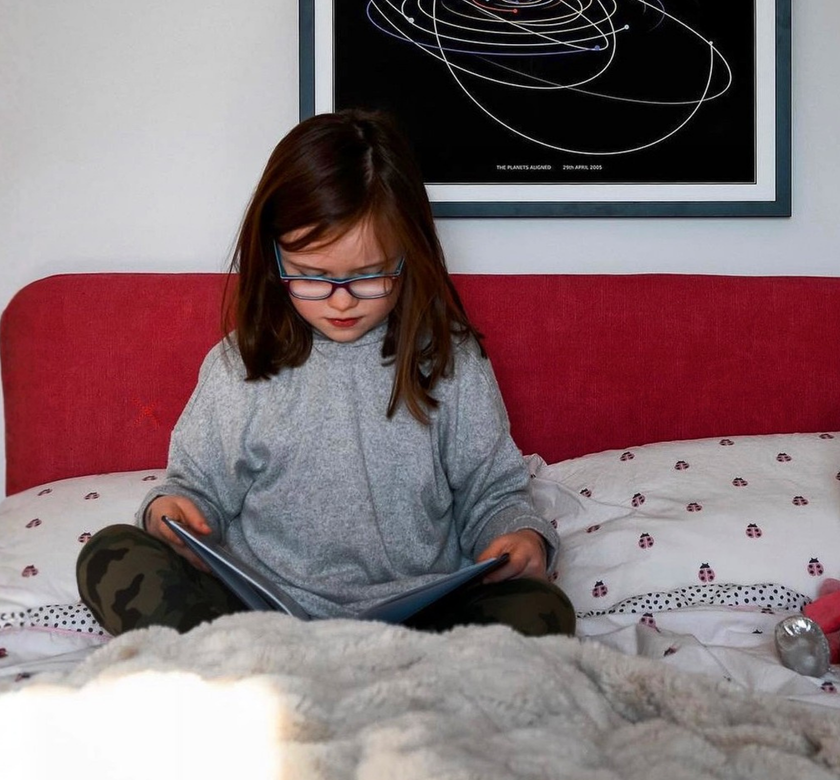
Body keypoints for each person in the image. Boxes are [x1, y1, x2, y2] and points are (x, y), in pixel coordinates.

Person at [77, 110, 575, 638]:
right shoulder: (239, 364)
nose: (342, 301)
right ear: (274, 257)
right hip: (259, 618)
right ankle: (248, 670)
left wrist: (519, 535)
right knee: (110, 555)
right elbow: (195, 488)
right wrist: (172, 512)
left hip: (419, 624)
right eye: (313, 276)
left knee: (541, 609)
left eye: (368, 276)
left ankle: (359, 681)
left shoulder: (451, 362)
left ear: (411, 254)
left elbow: (493, 493)